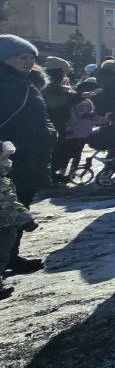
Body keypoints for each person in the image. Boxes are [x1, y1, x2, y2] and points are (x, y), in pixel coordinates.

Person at [0, 35, 55, 276]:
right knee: (6, 210)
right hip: (9, 156)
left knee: (20, 206)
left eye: (31, 57)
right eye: (21, 57)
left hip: (31, 155)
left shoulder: (29, 82)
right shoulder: (6, 83)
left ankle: (11, 255)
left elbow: (39, 114)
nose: (28, 61)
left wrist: (50, 132)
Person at [0, 141, 39, 300]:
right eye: (4, 158)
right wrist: (26, 220)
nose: (8, 162)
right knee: (2, 255)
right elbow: (8, 205)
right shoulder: (1, 183)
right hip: (3, 227)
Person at [41, 57, 76, 184]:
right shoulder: (49, 84)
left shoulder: (54, 83)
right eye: (64, 72)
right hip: (53, 121)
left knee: (60, 147)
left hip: (58, 120)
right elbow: (54, 103)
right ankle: (49, 175)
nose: (65, 75)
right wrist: (67, 94)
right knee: (56, 148)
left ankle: (53, 173)